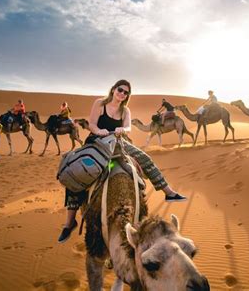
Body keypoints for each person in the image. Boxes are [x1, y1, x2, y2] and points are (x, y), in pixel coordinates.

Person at [58, 79, 187, 243]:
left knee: (144, 158)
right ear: (113, 89)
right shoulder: (100, 103)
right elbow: (91, 124)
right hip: (97, 141)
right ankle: (69, 223)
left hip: (119, 142)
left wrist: (122, 130)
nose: (122, 94)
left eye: (126, 92)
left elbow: (128, 127)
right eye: (120, 90)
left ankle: (168, 192)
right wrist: (99, 130)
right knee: (77, 170)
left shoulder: (125, 110)